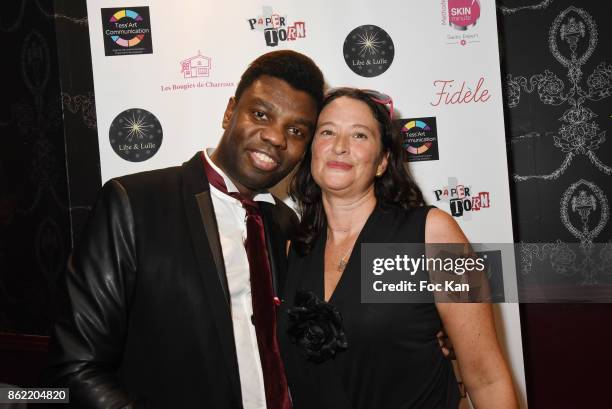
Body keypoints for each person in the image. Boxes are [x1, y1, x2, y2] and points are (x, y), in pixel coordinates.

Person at [44, 50, 324, 409]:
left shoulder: (286, 225)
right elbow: (73, 369)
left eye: (296, 130)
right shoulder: (135, 203)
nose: (275, 137)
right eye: (261, 114)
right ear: (229, 112)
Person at [278, 88, 518, 409]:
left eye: (360, 135)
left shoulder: (433, 234)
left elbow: (488, 379)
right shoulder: (294, 249)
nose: (339, 146)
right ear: (311, 151)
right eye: (327, 132)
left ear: (382, 162)